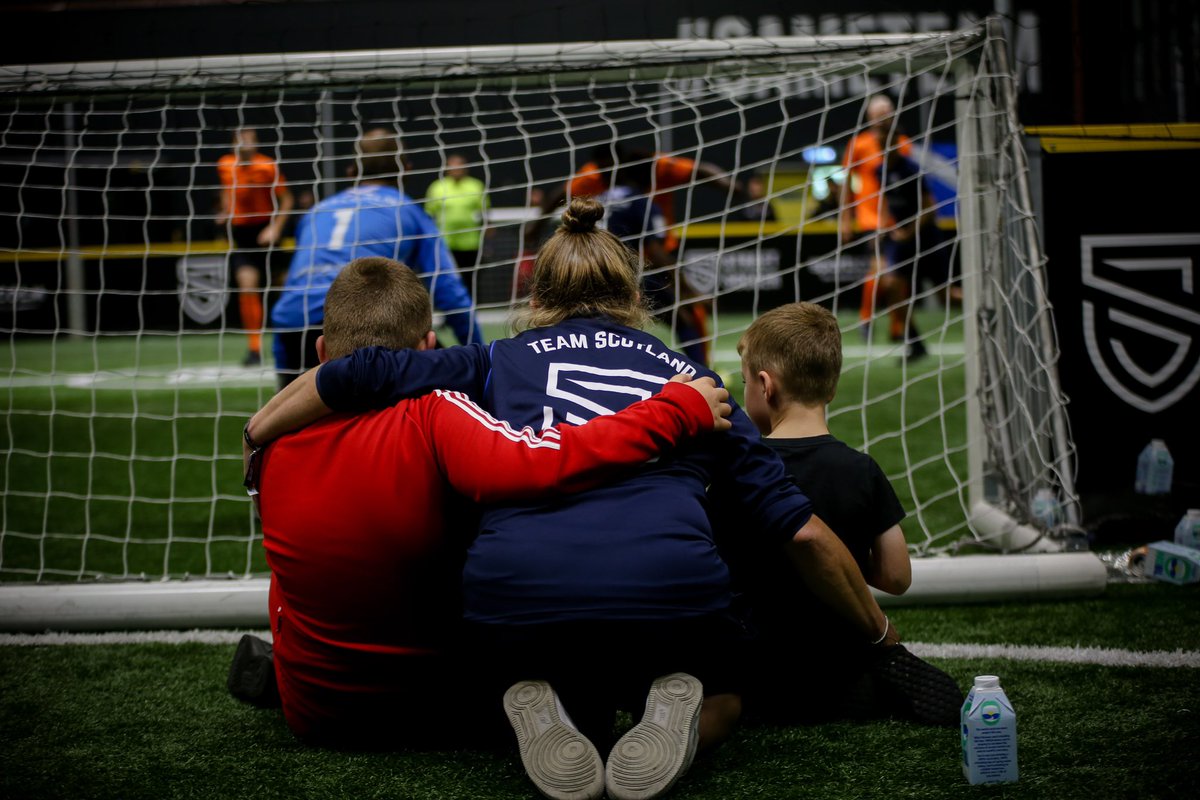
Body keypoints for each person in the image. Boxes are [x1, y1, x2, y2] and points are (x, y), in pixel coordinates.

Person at [246, 197, 900, 800]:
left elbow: (363, 371)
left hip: (518, 591)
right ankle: (681, 713)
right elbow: (803, 533)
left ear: (536, 294)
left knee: (527, 638)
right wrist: (879, 633)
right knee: (726, 680)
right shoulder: (698, 382)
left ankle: (545, 697)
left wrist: (261, 431)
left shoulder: (494, 360)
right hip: (667, 584)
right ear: (634, 295)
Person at [237, 255, 734, 748]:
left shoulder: (271, 449)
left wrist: (257, 430)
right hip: (453, 709)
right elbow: (543, 460)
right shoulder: (437, 416)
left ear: (322, 350)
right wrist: (672, 410)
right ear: (427, 349)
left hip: (318, 716)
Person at [731, 301, 963, 725]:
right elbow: (897, 577)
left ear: (765, 386)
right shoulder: (862, 470)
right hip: (841, 682)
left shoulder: (740, 470)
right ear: (832, 389)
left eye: (744, 382)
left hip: (755, 683)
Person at [269, 128, 484, 389]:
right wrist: (481, 354)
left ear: (351, 172)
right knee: (449, 387)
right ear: (405, 168)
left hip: (297, 329)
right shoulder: (407, 210)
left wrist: (285, 382)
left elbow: (291, 294)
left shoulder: (316, 212)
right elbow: (447, 289)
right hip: (365, 328)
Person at [216, 127, 294, 367]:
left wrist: (276, 228)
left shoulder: (267, 166)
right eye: (241, 139)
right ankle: (254, 349)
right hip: (243, 236)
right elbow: (227, 191)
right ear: (233, 143)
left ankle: (291, 341)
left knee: (283, 287)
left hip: (266, 231)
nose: (246, 143)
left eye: (250, 140)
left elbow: (286, 199)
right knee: (247, 286)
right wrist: (226, 210)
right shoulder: (225, 165)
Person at [839, 94, 912, 342]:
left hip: (898, 220)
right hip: (871, 219)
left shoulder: (903, 143)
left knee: (898, 274)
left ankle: (896, 327)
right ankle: (867, 319)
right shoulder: (859, 144)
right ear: (870, 117)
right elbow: (846, 183)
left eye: (887, 112)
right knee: (880, 269)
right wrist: (846, 220)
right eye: (878, 113)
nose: (883, 117)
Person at [424, 152, 489, 281]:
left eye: (459, 165)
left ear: (466, 167)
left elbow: (486, 213)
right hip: (445, 243)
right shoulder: (437, 187)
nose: (456, 169)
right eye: (453, 165)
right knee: (447, 279)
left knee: (471, 280)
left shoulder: (476, 186)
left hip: (471, 243)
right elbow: (428, 215)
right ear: (447, 168)